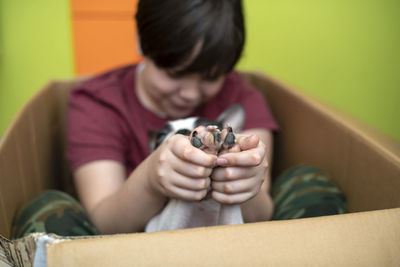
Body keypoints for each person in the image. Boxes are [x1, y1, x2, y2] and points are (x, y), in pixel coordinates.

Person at [11, 0, 346, 238]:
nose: (189, 93)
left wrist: (248, 186)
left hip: (235, 246)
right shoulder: (97, 103)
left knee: (309, 182)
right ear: (142, 42)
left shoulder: (244, 100)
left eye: (209, 77)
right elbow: (104, 223)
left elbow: (262, 215)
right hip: (133, 248)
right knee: (47, 209)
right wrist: (151, 180)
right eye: (174, 73)